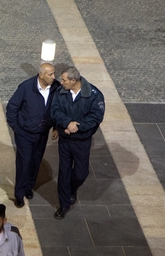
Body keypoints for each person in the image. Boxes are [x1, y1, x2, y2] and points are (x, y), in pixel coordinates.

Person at [49, 66, 105, 219]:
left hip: (82, 141)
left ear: (73, 81)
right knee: (64, 172)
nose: (61, 82)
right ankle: (64, 204)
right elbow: (54, 111)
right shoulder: (61, 93)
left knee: (81, 173)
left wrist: (76, 126)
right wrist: (67, 123)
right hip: (65, 141)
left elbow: (96, 117)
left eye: (64, 80)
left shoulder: (94, 95)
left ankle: (72, 189)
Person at [6, 63, 61, 207]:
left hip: (42, 133)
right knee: (24, 163)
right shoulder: (26, 87)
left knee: (36, 161)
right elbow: (12, 107)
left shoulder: (56, 87)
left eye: (54, 73)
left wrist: (55, 126)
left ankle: (29, 186)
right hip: (25, 134)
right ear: (41, 75)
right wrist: (16, 128)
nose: (54, 77)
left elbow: (58, 107)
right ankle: (19, 193)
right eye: (50, 74)